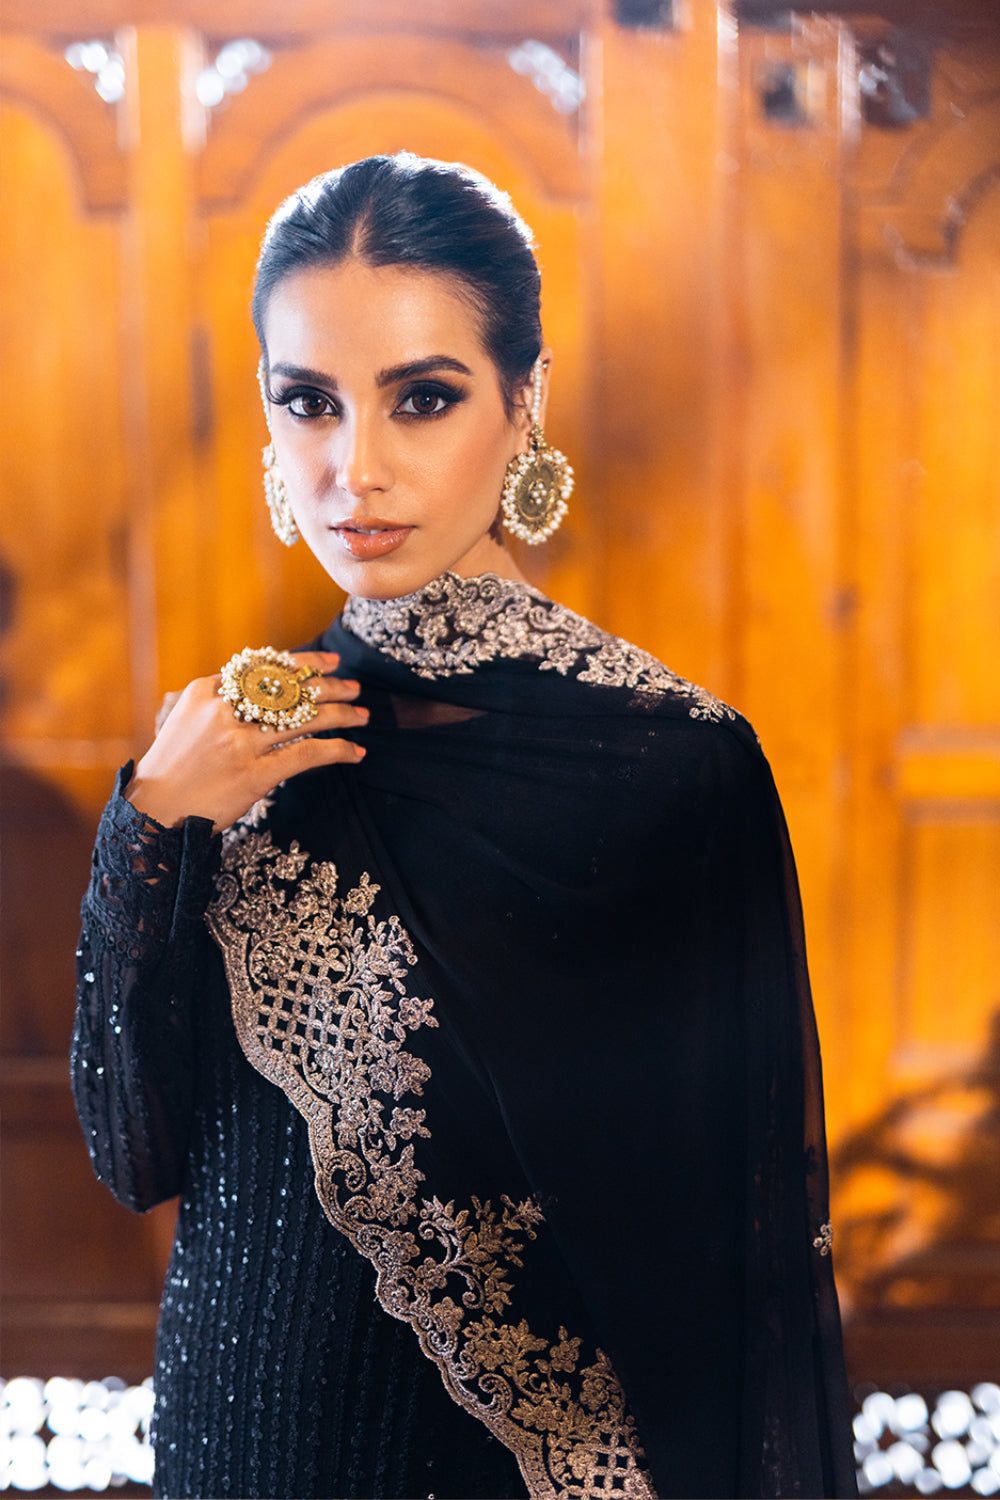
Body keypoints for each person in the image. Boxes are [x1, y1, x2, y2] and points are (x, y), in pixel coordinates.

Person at [71, 152, 857, 1500]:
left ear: (523, 401)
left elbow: (734, 1260)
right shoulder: (225, 757)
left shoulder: (672, 764)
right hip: (239, 1442)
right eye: (309, 403)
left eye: (421, 399)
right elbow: (134, 1155)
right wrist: (145, 828)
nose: (355, 469)